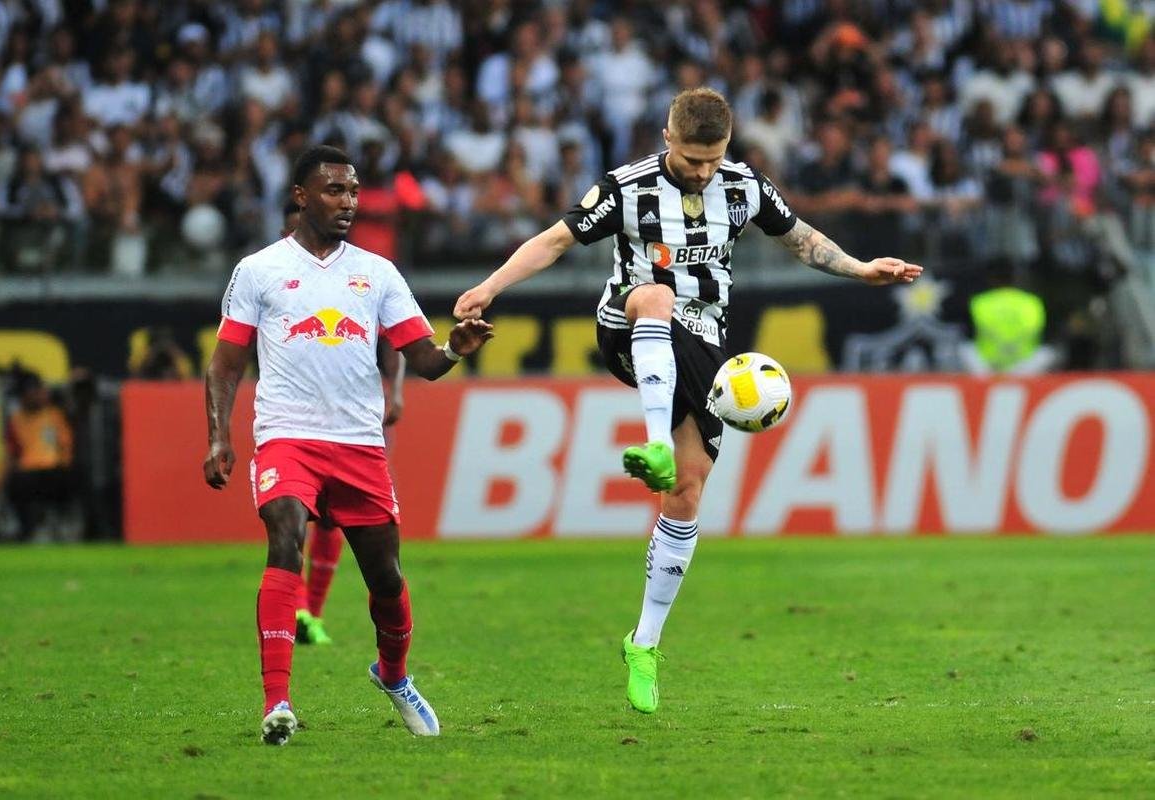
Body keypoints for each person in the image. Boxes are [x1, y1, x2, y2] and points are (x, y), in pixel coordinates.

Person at [454, 88, 921, 714]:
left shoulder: (743, 185)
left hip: (706, 341)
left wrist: (861, 267)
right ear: (668, 137)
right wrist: (488, 287)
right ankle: (652, 439)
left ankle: (643, 642)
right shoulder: (627, 187)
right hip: (629, 325)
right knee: (654, 296)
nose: (703, 172)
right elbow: (555, 241)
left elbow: (799, 237)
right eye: (692, 158)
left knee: (688, 489)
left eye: (713, 159)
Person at [204, 145, 493, 745]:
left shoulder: (378, 273)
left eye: (353, 192)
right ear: (301, 197)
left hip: (358, 444)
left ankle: (393, 676)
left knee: (385, 579)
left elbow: (425, 360)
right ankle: (277, 703)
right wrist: (218, 436)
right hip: (287, 436)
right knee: (286, 541)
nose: (348, 202)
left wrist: (458, 349)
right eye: (334, 190)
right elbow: (226, 362)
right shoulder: (258, 270)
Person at [278, 200, 407, 647]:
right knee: (290, 522)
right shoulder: (269, 272)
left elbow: (398, 335)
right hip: (292, 424)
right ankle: (296, 608)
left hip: (352, 421)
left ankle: (311, 614)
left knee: (334, 523)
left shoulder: (360, 272)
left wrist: (395, 389)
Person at [3, 372, 76, 540]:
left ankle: (62, 524)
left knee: (72, 477)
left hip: (55, 471)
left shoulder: (56, 414)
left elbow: (66, 445)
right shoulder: (16, 420)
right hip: (28, 473)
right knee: (15, 484)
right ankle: (28, 528)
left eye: (40, 391)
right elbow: (11, 455)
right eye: (33, 392)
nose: (40, 395)